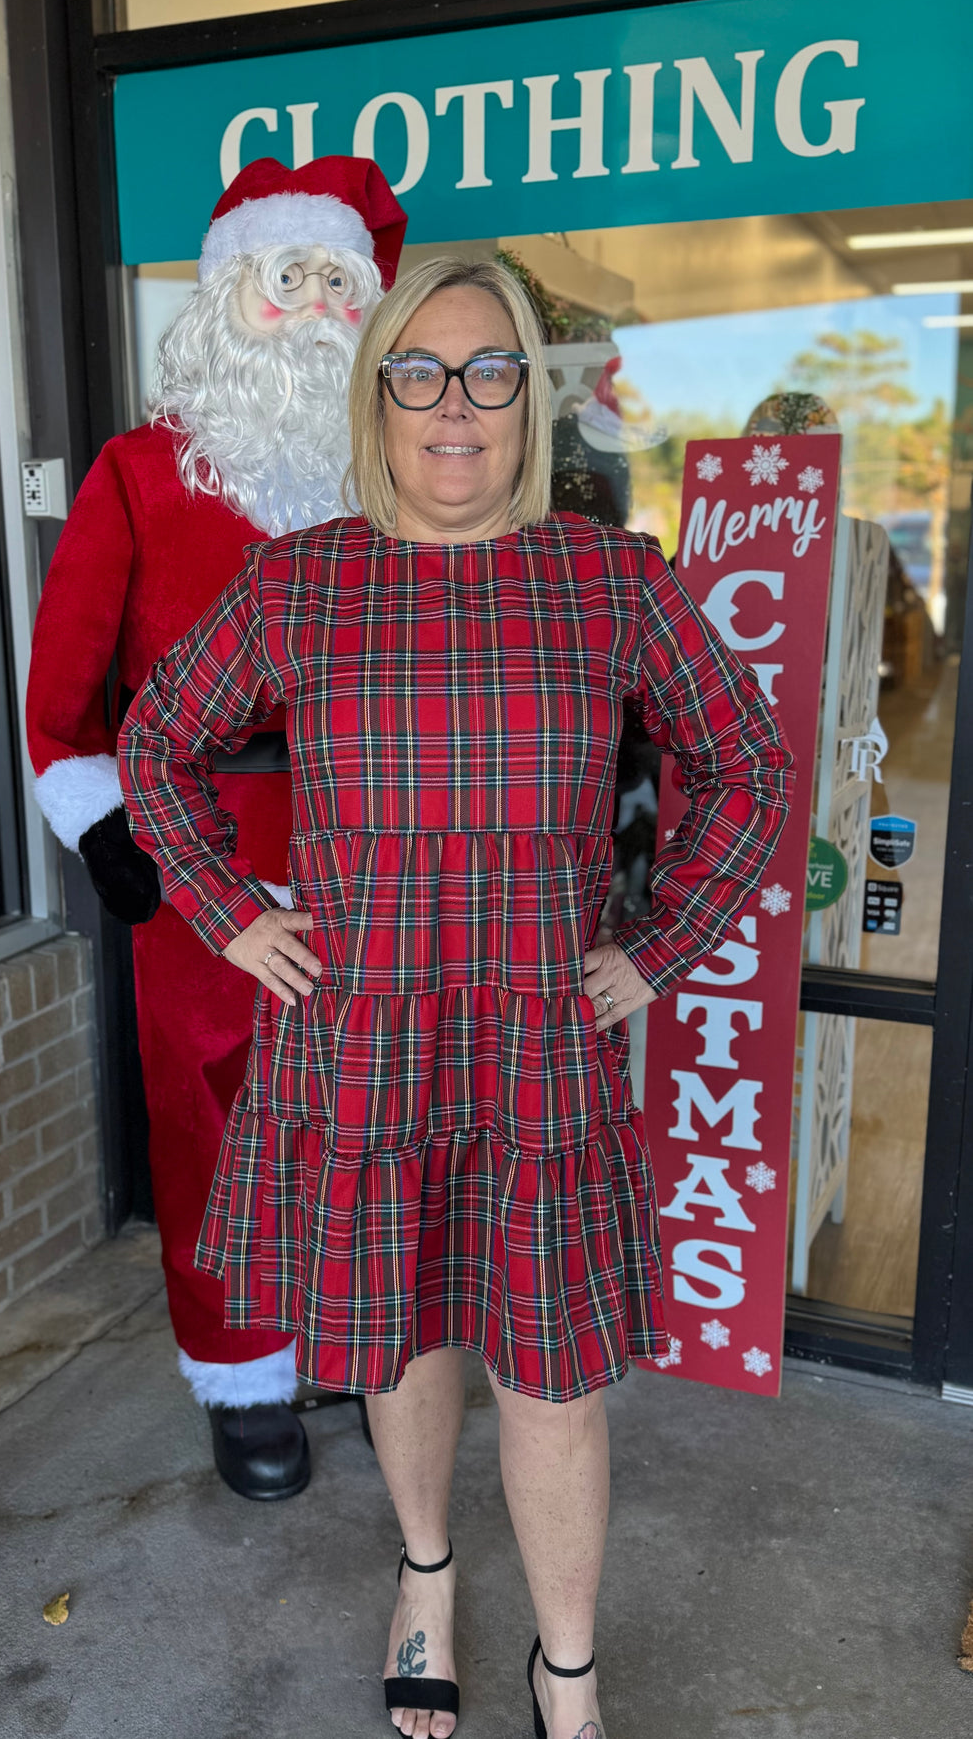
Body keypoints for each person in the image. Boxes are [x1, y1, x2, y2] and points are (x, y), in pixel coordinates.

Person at [118, 258, 792, 1739]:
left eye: (493, 373)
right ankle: (425, 1575)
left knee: (552, 1381)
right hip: (364, 1048)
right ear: (377, 397)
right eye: (418, 372)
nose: (456, 407)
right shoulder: (302, 581)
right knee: (404, 1335)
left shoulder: (607, 578)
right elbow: (155, 743)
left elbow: (750, 766)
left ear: (531, 403)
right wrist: (233, 914)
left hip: (539, 1052)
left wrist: (657, 947)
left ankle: (569, 1661)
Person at [24, 156, 405, 1501]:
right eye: (282, 277)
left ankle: (358, 1336)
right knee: (221, 1123)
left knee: (365, 1112)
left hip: (374, 860)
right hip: (202, 862)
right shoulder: (137, 473)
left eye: (332, 284)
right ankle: (244, 1371)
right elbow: (61, 700)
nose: (307, 307)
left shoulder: (398, 483)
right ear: (230, 295)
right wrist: (105, 831)